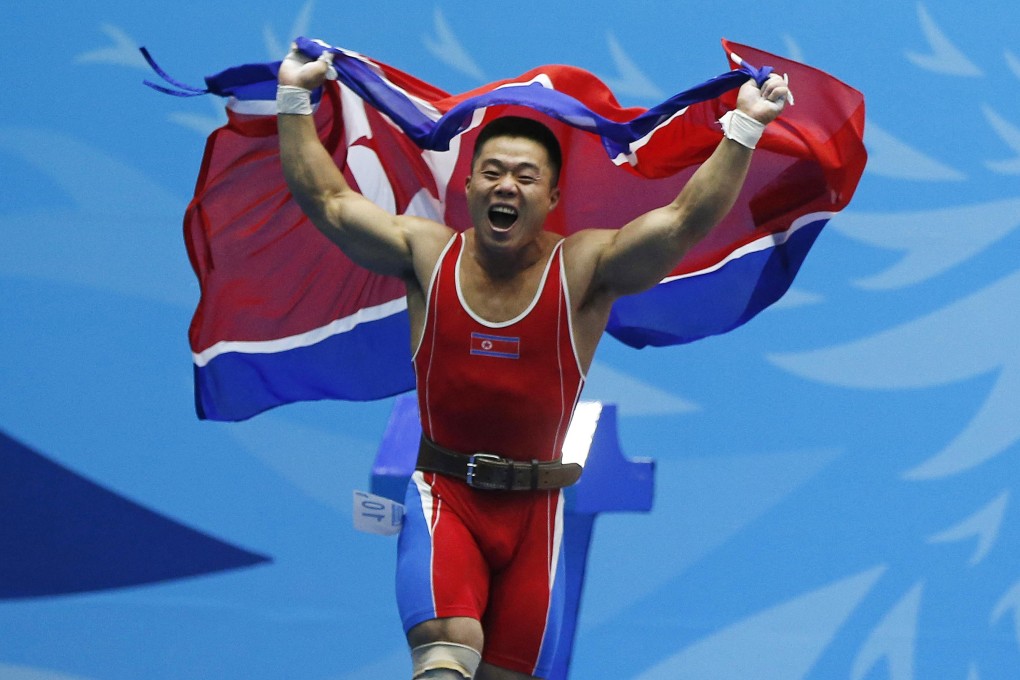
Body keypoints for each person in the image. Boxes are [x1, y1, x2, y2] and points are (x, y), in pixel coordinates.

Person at [276, 44, 791, 680]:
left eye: (525, 176)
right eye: (491, 172)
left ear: (552, 196)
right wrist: (296, 100)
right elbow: (329, 202)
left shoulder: (583, 271)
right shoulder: (425, 255)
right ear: (466, 187)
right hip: (446, 501)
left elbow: (683, 222)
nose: (506, 186)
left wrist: (742, 128)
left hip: (537, 521)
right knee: (444, 656)